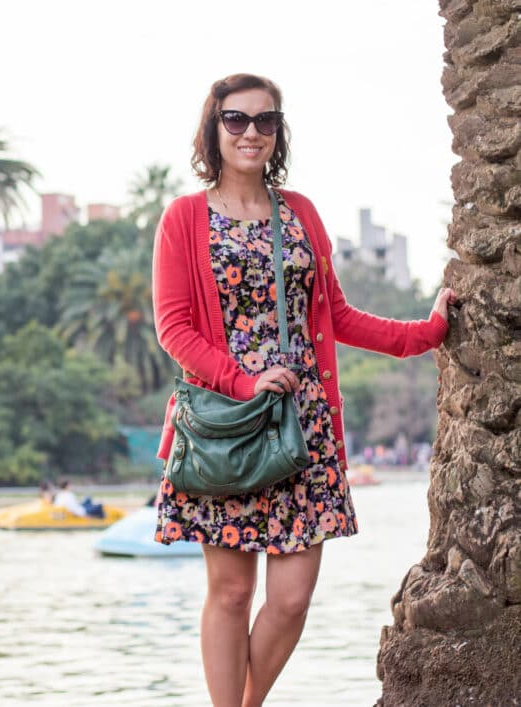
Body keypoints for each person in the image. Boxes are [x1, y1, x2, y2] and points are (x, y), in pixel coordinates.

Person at [150, 73, 456, 707]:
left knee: (289, 601)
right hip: (226, 425)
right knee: (232, 594)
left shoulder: (302, 214)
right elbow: (173, 327)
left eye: (266, 122)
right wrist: (242, 380)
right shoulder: (183, 218)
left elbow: (336, 314)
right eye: (236, 120)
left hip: (303, 423)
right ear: (214, 128)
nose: (251, 133)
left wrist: (425, 333)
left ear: (277, 132)